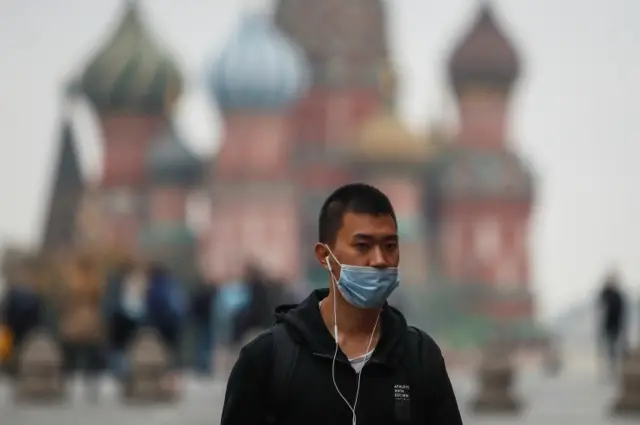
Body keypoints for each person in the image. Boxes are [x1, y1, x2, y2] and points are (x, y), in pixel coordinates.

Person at [221, 183, 462, 425]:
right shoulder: (268, 359)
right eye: (362, 246)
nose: (379, 260)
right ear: (325, 256)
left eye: (389, 246)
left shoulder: (419, 357)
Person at [597, 270, 627, 377]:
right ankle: (608, 370)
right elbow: (600, 309)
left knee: (614, 350)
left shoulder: (618, 296)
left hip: (616, 326)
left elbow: (623, 314)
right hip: (606, 327)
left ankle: (613, 369)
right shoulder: (604, 294)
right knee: (607, 349)